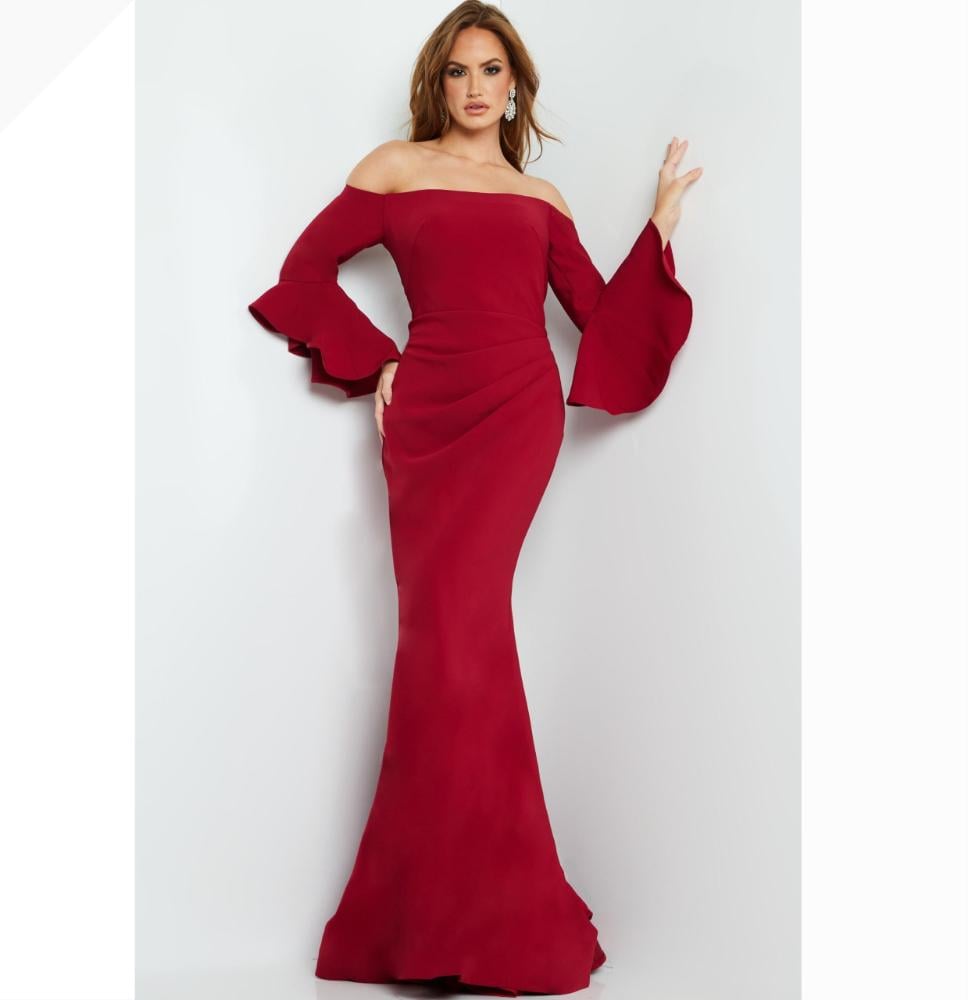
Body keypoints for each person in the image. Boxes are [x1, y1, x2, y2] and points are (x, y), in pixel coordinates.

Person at [247, 2, 702, 995]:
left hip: (515, 414)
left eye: (491, 69)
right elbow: (302, 273)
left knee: (465, 631)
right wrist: (377, 360)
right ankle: (433, 919)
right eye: (457, 71)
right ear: (437, 84)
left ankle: (493, 918)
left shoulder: (540, 197)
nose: (474, 87)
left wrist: (661, 222)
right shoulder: (392, 168)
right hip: (427, 416)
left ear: (515, 86)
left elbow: (600, 320)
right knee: (441, 643)